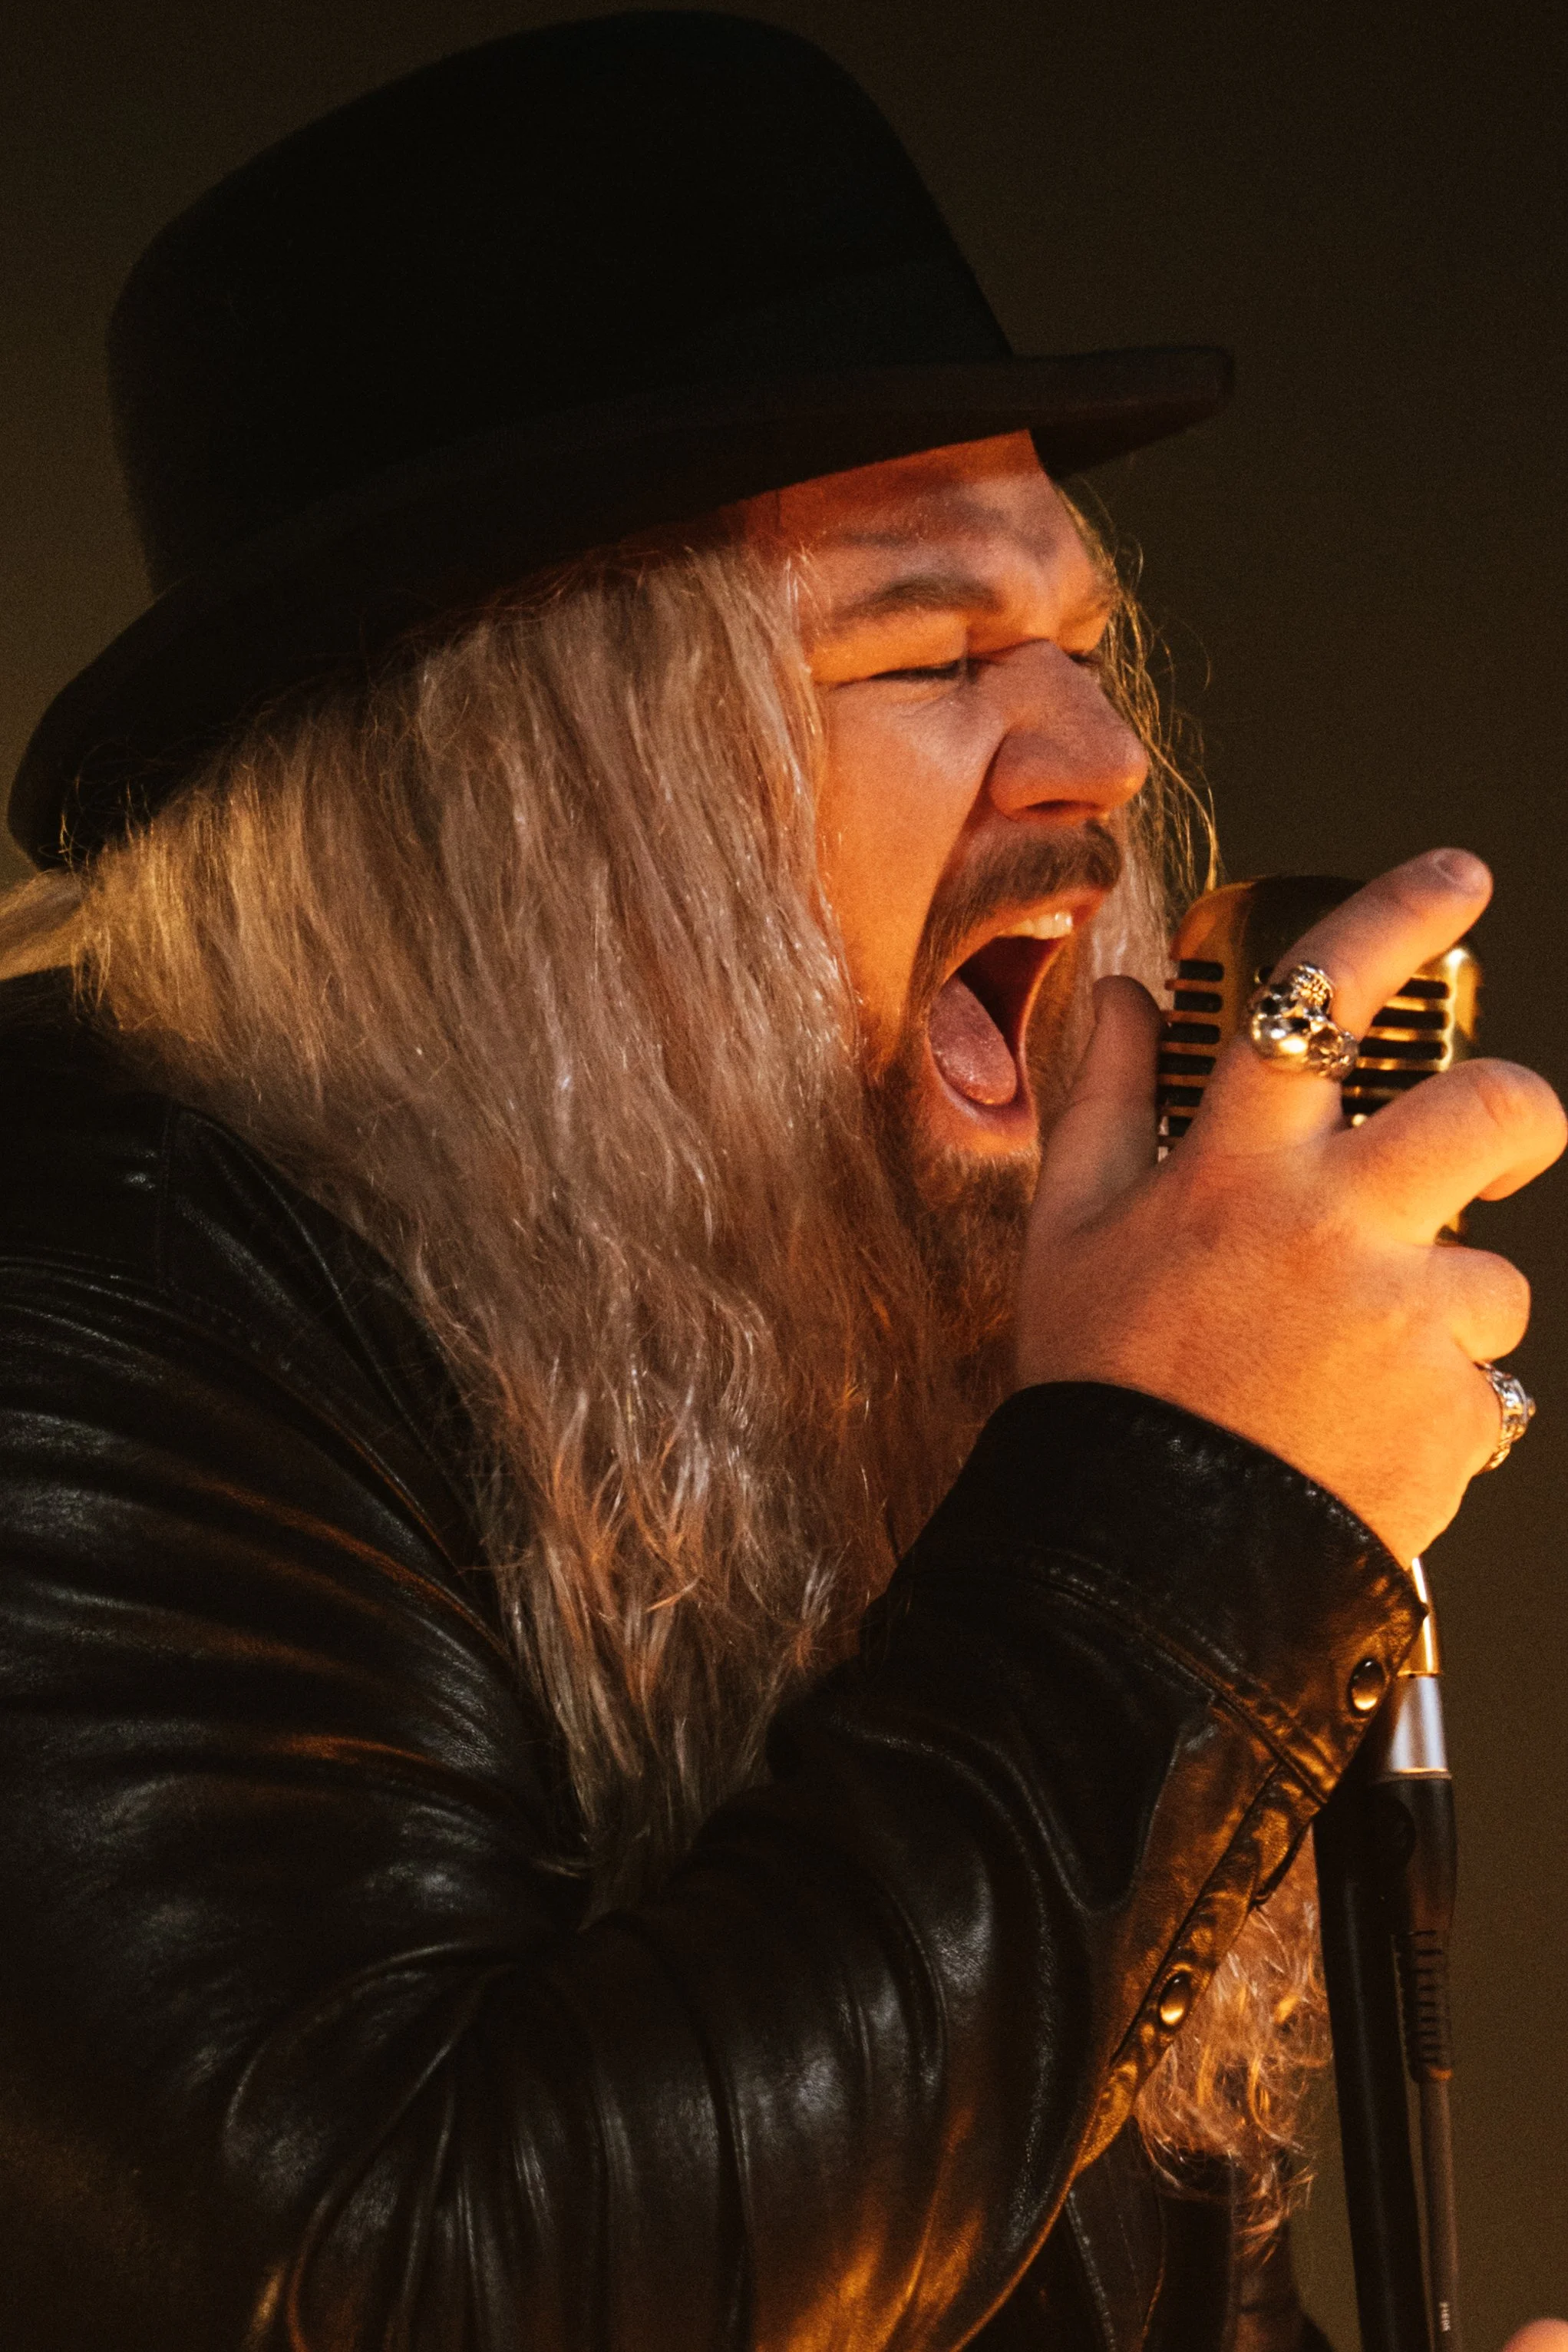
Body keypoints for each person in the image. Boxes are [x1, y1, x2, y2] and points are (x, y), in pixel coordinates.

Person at [0, 15, 1563, 2350]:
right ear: (534, 818)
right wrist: (1186, 1506)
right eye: (934, 646)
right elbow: (394, 2283)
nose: (1105, 758)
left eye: (1082, 641)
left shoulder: (851, 1337)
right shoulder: (84, 1308)